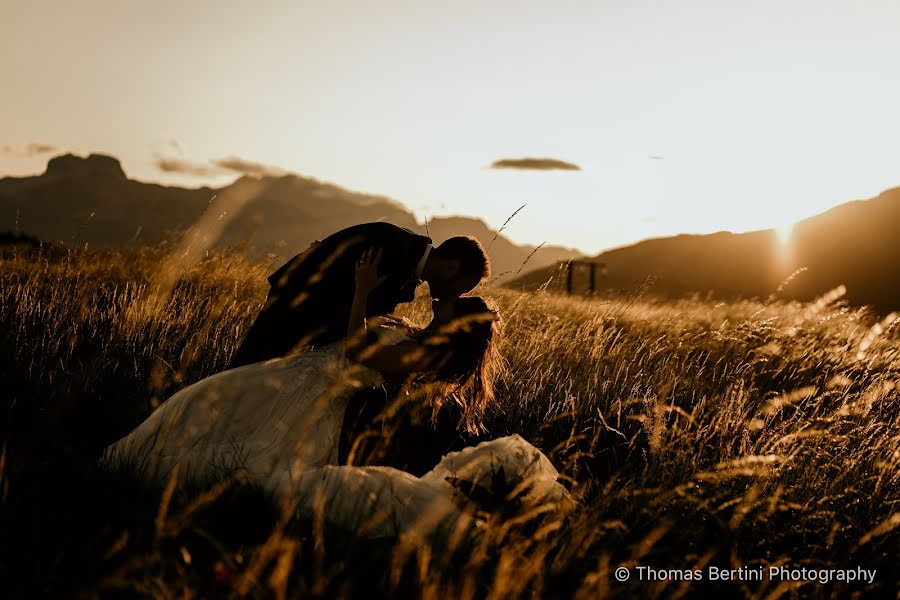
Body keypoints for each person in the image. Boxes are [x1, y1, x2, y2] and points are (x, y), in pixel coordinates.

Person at [228, 222, 490, 368]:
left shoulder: (406, 254)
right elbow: (335, 291)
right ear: (452, 267)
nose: (456, 296)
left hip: (306, 329)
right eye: (462, 288)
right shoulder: (392, 248)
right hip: (292, 314)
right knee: (243, 374)